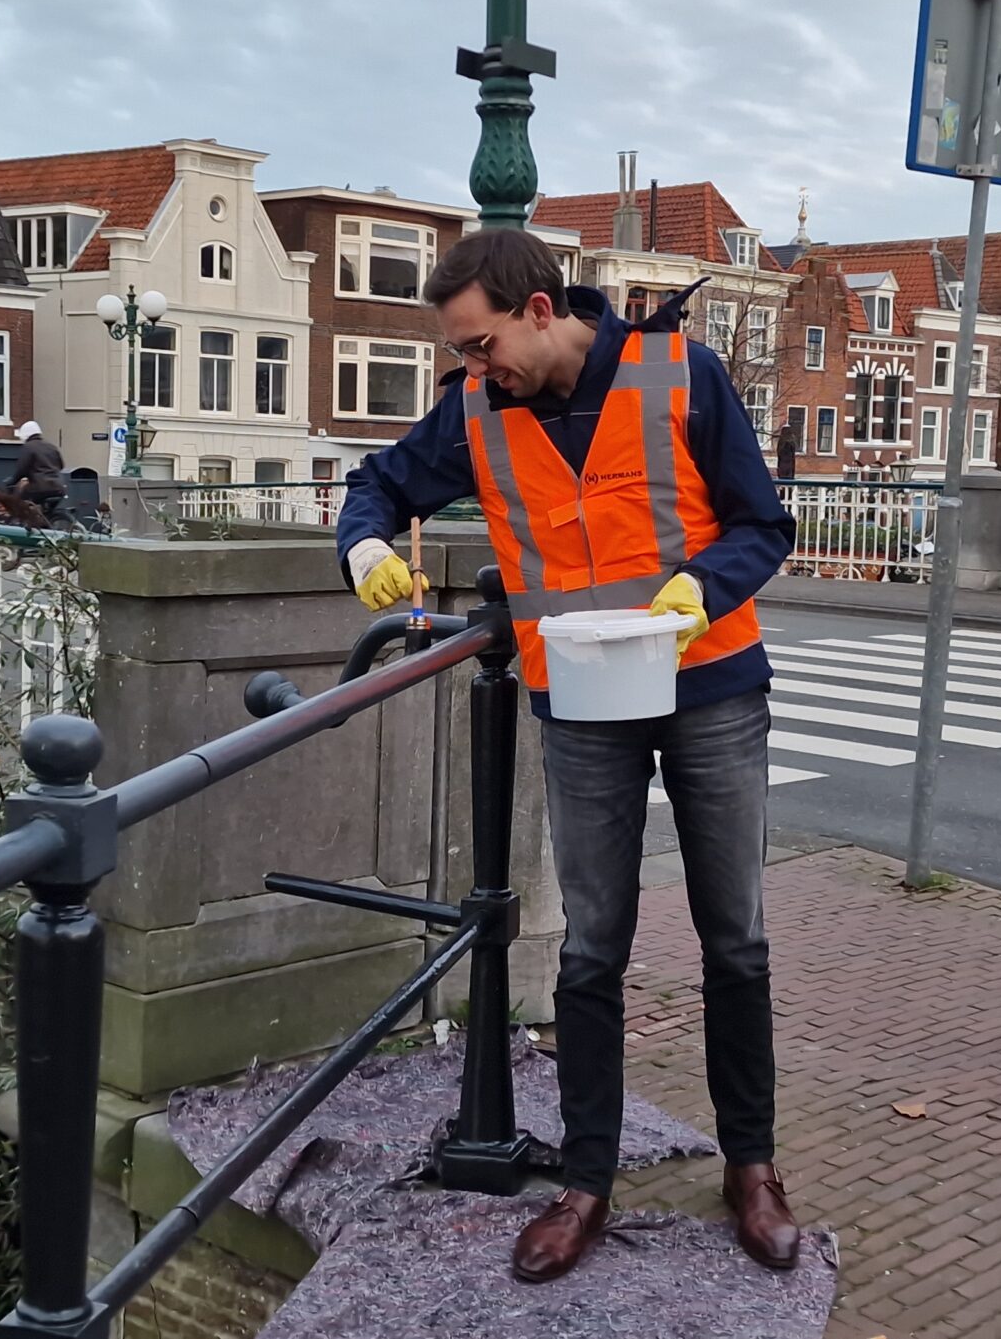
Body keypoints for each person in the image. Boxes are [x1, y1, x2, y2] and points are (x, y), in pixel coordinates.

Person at [335, 228, 800, 1282]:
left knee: (735, 938)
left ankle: (752, 1167)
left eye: (482, 343)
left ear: (539, 311)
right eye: (460, 351)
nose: (473, 366)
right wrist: (363, 545)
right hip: (582, 700)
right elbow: (379, 484)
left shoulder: (680, 372)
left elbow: (761, 525)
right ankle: (587, 1182)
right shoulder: (476, 408)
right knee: (591, 950)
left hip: (709, 679)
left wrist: (702, 588)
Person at [11, 421, 67, 518]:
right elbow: (61, 465)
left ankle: (22, 519)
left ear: (25, 435)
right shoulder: (52, 447)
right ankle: (46, 520)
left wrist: (13, 481)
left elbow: (22, 469)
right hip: (59, 487)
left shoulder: (28, 447)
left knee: (20, 496)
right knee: (47, 514)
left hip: (40, 488)